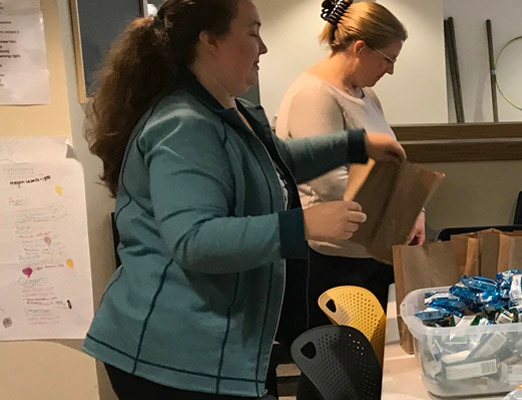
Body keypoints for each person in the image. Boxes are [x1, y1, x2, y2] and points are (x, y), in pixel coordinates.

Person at [80, 0, 404, 398]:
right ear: (210, 41)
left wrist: (356, 144)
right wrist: (303, 225)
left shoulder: (231, 113)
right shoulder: (183, 125)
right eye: (252, 33)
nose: (263, 47)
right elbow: (193, 240)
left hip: (217, 342)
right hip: (170, 354)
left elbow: (276, 164)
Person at [271, 1, 417, 398]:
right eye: (387, 58)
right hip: (335, 259)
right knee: (335, 374)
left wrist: (414, 209)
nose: (389, 69)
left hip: (371, 249)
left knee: (370, 369)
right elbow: (331, 186)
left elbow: (388, 163)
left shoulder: (365, 94)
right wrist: (400, 212)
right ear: (359, 48)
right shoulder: (313, 96)